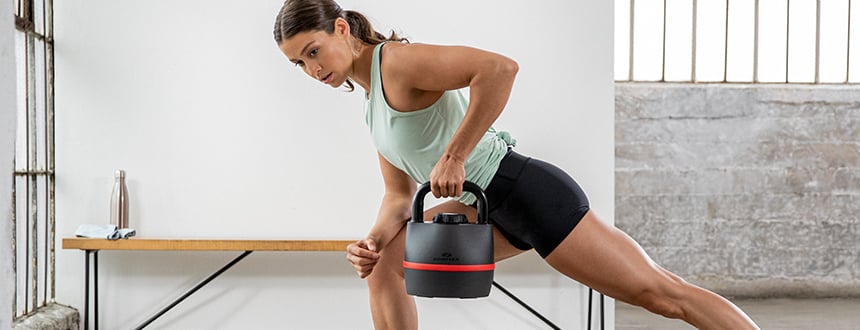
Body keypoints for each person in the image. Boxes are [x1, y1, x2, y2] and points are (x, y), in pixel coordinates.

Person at [273, 1, 759, 329]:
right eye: (299, 63)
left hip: (525, 193)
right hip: (485, 209)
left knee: (662, 295)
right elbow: (399, 195)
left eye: (313, 51)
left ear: (340, 28)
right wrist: (372, 241)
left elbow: (498, 68)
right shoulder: (372, 103)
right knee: (382, 266)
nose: (312, 69)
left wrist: (455, 154)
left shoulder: (396, 63)